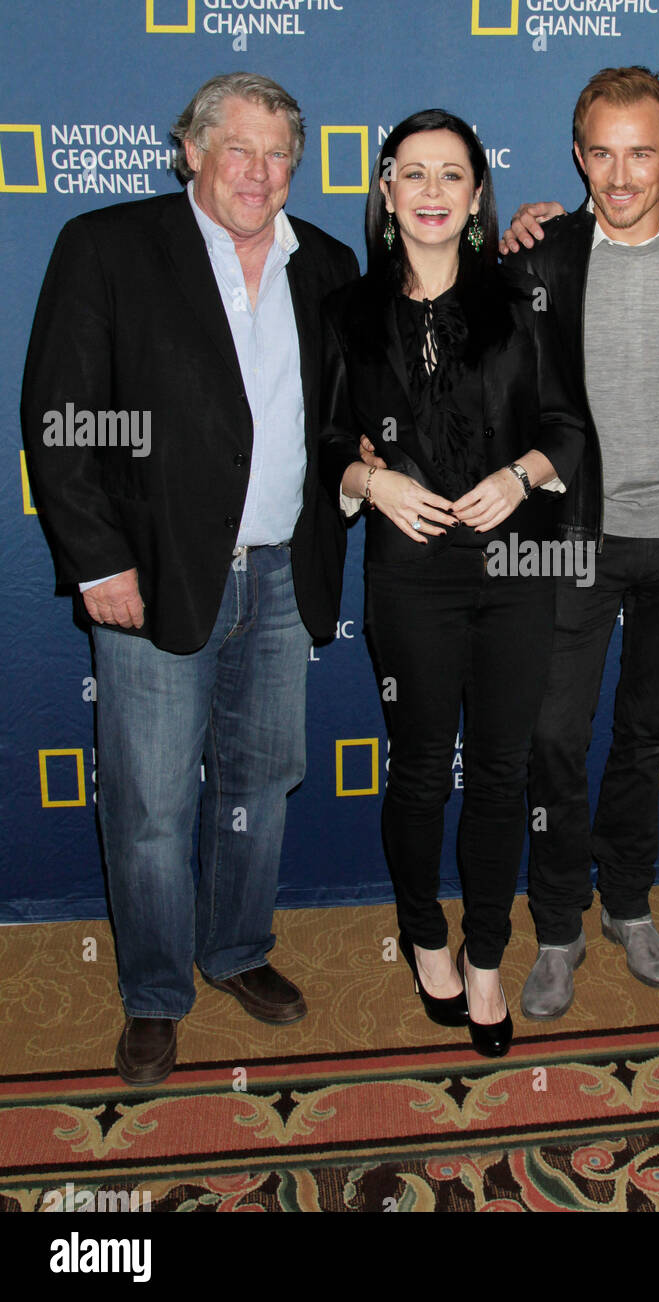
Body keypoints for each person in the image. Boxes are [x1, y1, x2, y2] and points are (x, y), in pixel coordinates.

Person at [20, 72, 360, 1086]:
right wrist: (97, 560)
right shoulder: (110, 248)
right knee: (152, 804)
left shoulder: (330, 266)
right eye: (238, 150)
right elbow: (63, 418)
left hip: (284, 581)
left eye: (278, 155)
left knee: (260, 786)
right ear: (192, 153)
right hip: (152, 578)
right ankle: (157, 993)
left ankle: (238, 950)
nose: (258, 173)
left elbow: (344, 414)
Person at [320, 110, 585, 1058]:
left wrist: (519, 478)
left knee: (503, 774)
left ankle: (483, 954)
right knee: (424, 770)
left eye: (453, 176)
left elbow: (570, 431)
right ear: (386, 193)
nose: (432, 191)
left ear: (478, 198)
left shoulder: (523, 298)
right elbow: (321, 446)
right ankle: (422, 932)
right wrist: (371, 480)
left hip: (518, 569)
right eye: (413, 174)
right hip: (410, 573)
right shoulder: (347, 311)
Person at [500, 68, 659, 1019]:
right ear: (577, 155)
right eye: (601, 151)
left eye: (642, 151)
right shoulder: (543, 254)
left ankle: (629, 905)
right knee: (555, 739)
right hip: (574, 538)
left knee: (645, 734)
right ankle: (558, 925)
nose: (621, 173)